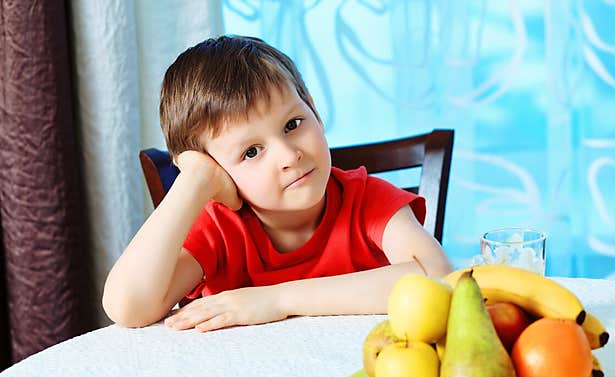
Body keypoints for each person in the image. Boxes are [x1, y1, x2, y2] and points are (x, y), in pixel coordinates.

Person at [103, 35, 452, 332]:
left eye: (293, 124)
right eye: (252, 151)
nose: (289, 155)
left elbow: (437, 276)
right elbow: (128, 308)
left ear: (314, 111)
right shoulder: (221, 228)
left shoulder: (367, 200)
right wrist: (194, 180)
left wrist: (277, 298)